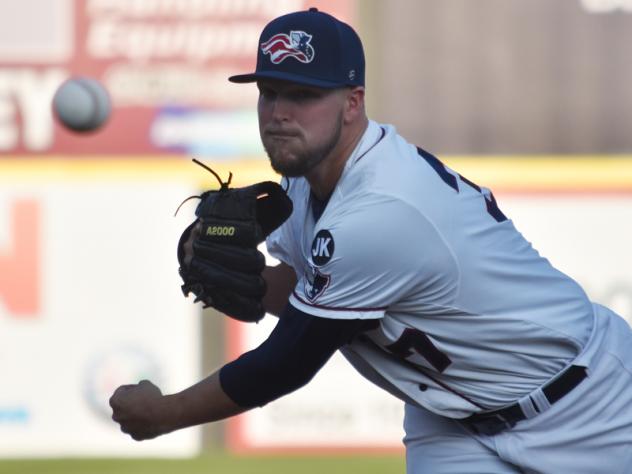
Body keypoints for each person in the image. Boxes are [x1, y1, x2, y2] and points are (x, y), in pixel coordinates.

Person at [109, 8, 632, 473]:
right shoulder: (305, 181)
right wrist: (239, 274)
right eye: (269, 92)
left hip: (588, 407)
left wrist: (167, 413)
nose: (278, 112)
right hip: (452, 421)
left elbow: (288, 361)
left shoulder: (382, 208)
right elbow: (309, 291)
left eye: (303, 94)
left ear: (352, 103)